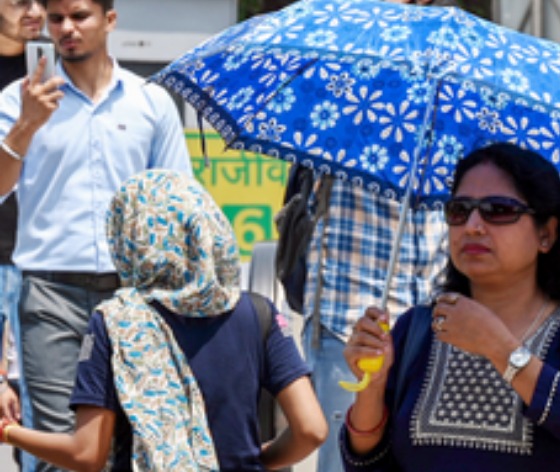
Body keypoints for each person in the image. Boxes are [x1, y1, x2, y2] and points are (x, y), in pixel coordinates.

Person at [0, 169, 328, 470]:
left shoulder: (118, 322)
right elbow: (311, 429)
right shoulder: (258, 313)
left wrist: (9, 432)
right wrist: (254, 462)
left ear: (129, 239)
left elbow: (87, 454)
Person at [340, 143, 560, 471]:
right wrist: (372, 388)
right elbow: (365, 464)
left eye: (499, 209)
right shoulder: (418, 328)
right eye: (459, 210)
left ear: (546, 234)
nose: (472, 226)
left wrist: (501, 350)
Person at [0, 0, 192, 470]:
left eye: (80, 16)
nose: (67, 28)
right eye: (57, 18)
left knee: (133, 442)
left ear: (109, 20)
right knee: (58, 449)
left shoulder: (150, 100)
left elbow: (177, 201)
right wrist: (25, 126)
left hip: (134, 297)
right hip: (50, 294)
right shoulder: (16, 99)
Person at [298, 3, 456, 470]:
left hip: (429, 324)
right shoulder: (339, 55)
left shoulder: (448, 66)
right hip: (346, 320)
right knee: (346, 459)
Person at [0, 1, 46, 469]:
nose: (34, 10)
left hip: (37, 257)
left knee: (36, 403)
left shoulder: (51, 67)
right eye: (19, 1)